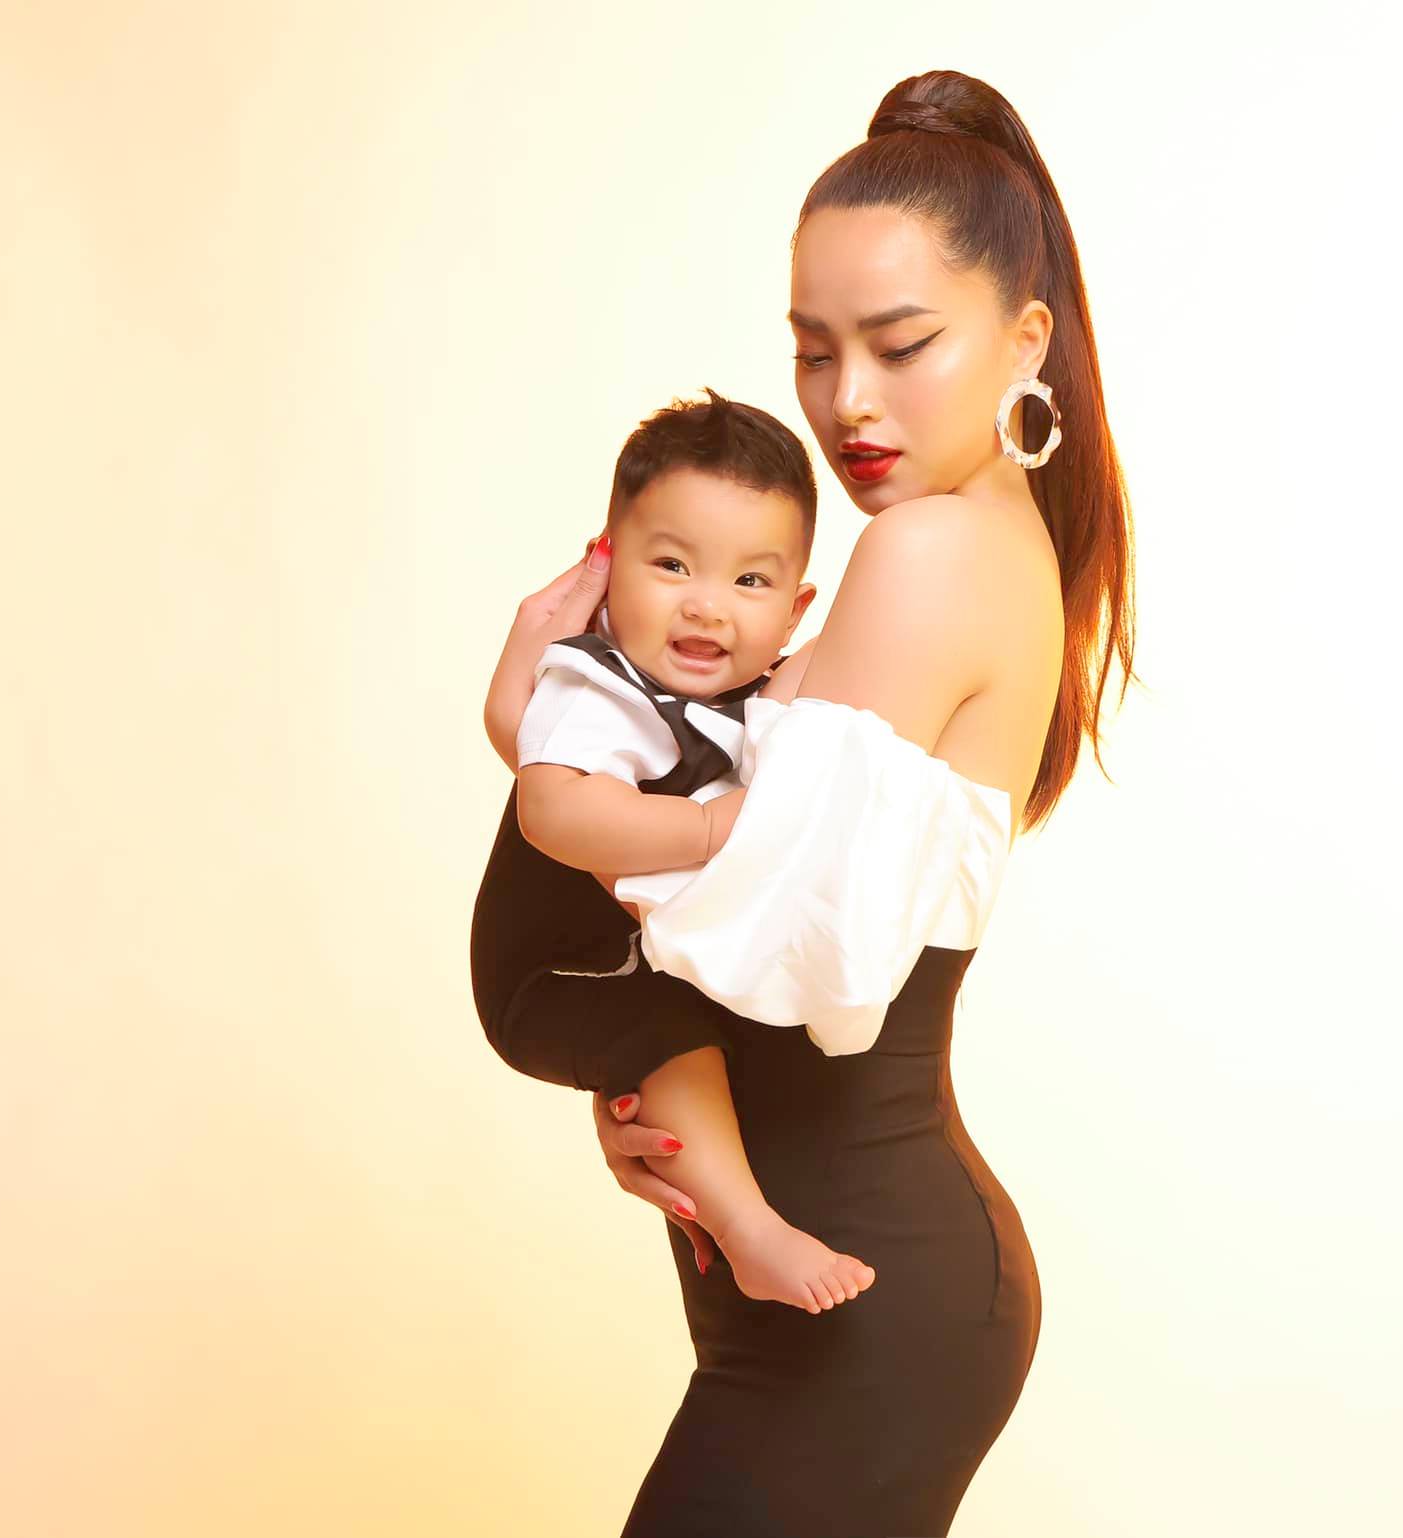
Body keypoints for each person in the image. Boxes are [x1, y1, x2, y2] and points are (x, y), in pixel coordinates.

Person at [474, 67, 1136, 1537]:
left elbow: (767, 946)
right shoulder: (977, 539)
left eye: (901, 346)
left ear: (1025, 340)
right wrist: (648, 1080)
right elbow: (734, 914)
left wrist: (536, 737)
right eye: (812, 351)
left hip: (863, 1304)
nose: (848, 403)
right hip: (849, 1289)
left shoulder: (925, 552)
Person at [501, 386, 884, 1314]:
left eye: (751, 583)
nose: (709, 608)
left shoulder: (747, 691)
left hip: (646, 959)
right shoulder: (600, 686)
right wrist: (713, 827)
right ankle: (750, 1232)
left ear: (794, 610)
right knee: (671, 1037)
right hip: (560, 970)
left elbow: (840, 669)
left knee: (685, 1033)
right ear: (608, 570)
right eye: (672, 565)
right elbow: (551, 806)